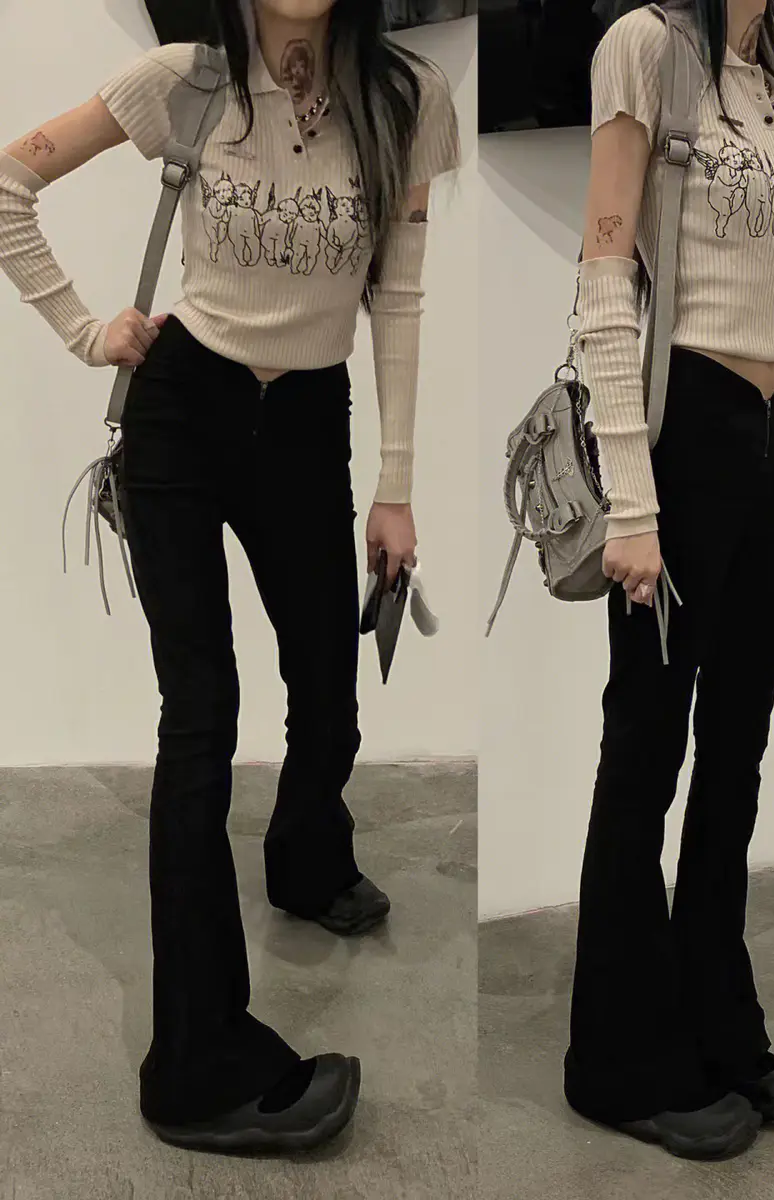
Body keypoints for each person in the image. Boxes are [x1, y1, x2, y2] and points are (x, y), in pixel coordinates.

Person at [0, 0, 458, 1152]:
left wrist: (396, 486)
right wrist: (85, 331)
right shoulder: (185, 80)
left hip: (306, 419)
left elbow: (398, 294)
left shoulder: (408, 99)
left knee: (329, 681)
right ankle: (194, 1068)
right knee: (202, 714)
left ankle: (306, 859)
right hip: (184, 414)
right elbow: (8, 181)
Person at [564, 0, 774, 1160]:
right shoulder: (648, 47)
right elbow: (605, 274)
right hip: (683, 432)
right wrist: (632, 501)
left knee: (737, 749)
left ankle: (717, 1020)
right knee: (648, 747)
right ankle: (618, 1060)